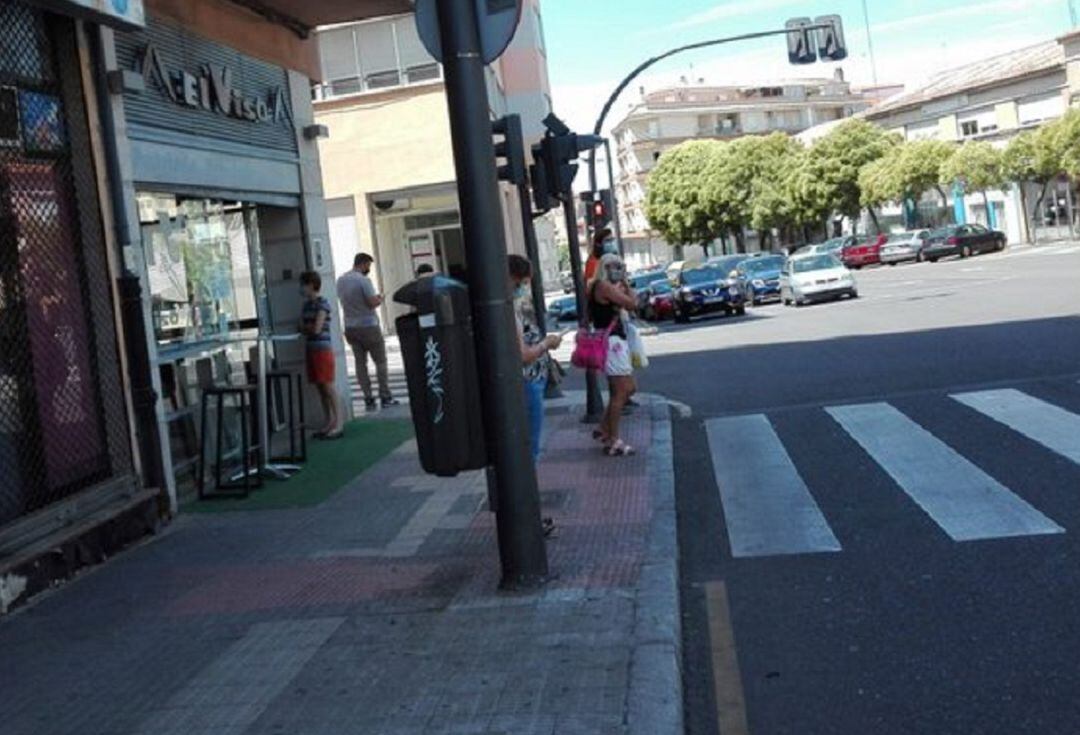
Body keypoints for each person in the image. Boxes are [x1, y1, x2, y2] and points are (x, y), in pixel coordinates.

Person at [510, 255, 562, 463]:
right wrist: (546, 344)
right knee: (530, 448)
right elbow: (523, 355)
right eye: (520, 282)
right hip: (527, 381)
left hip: (531, 380)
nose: (523, 288)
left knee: (530, 445)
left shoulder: (513, 306)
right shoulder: (507, 310)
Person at [589, 253, 638, 456]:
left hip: (616, 340)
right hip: (612, 343)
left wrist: (625, 284)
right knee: (621, 391)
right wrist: (625, 285)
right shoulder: (603, 286)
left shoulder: (606, 286)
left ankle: (604, 428)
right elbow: (632, 304)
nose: (617, 269)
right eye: (613, 266)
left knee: (629, 388)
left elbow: (631, 302)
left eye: (620, 266)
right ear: (604, 267)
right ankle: (613, 440)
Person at [337, 253, 399, 410]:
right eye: (368, 266)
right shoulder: (364, 281)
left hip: (350, 327)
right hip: (368, 326)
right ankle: (385, 396)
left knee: (360, 363)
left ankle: (368, 398)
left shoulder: (341, 280)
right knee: (380, 361)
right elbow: (371, 302)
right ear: (363, 264)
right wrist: (380, 298)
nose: (369, 269)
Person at [299, 271, 343, 439]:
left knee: (328, 386)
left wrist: (306, 328)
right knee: (320, 387)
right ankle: (329, 421)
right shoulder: (306, 306)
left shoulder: (322, 304)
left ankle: (338, 423)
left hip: (322, 350)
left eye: (303, 284)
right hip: (311, 349)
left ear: (311, 284)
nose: (301, 288)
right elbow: (302, 326)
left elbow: (316, 329)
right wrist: (307, 328)